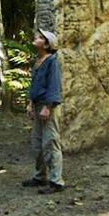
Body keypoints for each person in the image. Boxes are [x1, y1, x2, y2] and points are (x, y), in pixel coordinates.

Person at [22, 29, 64, 194]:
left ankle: (56, 181)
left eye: (40, 38)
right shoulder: (38, 61)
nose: (36, 38)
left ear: (47, 45)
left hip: (49, 107)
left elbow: (54, 86)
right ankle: (40, 176)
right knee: (37, 143)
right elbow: (34, 86)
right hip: (38, 105)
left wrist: (47, 107)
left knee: (51, 142)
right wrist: (30, 105)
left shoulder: (52, 62)